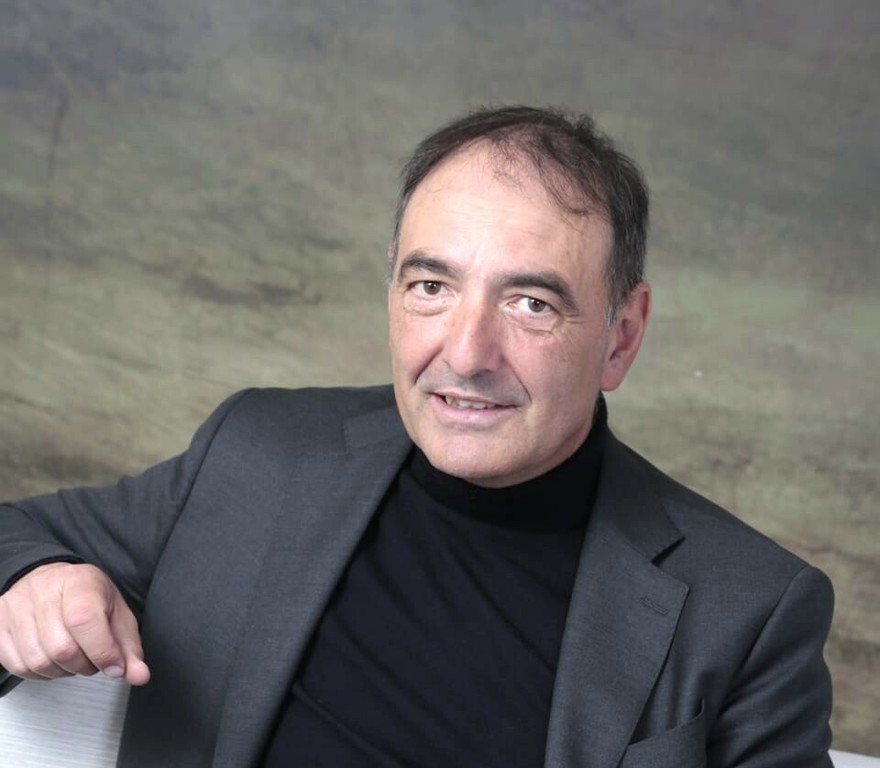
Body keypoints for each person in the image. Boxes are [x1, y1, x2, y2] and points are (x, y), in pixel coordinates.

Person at [0, 106, 833, 767]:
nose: (465, 354)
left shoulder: (747, 611)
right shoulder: (258, 454)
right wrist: (35, 580)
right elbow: (14, 537)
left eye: (531, 303)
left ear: (621, 336)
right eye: (432, 285)